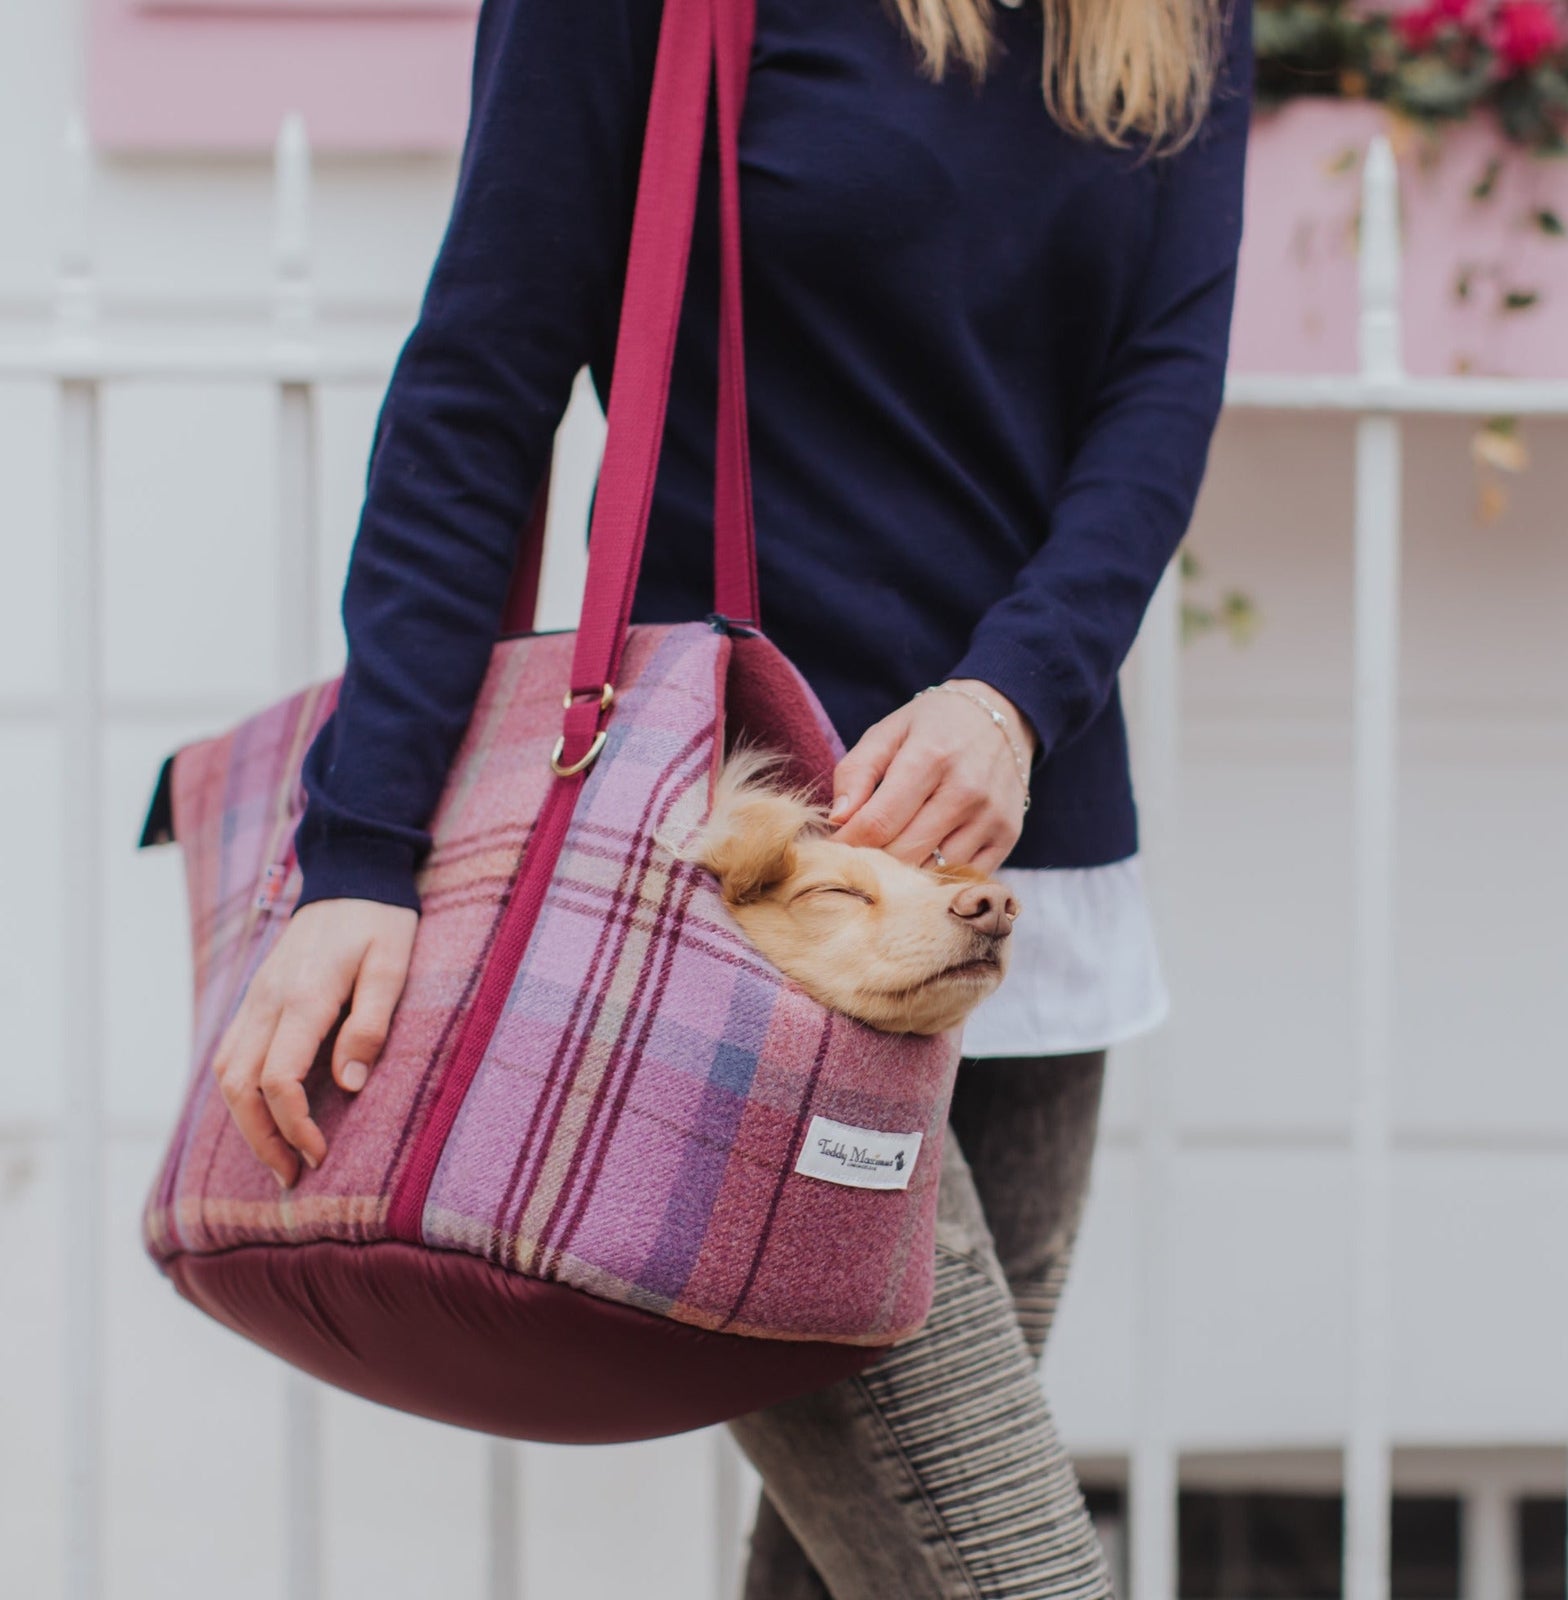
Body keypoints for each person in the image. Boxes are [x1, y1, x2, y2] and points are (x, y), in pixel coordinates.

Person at [208, 0, 1253, 1592]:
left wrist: (1011, 698)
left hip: (1019, 877)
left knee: (851, 1568)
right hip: (746, 905)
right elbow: (479, 386)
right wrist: (360, 856)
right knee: (1011, 1571)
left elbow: (1160, 393)